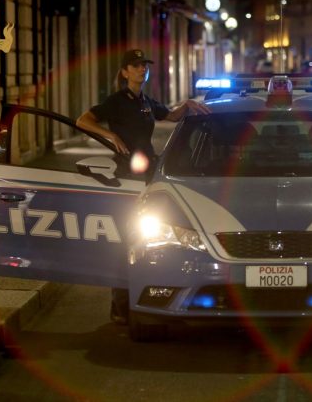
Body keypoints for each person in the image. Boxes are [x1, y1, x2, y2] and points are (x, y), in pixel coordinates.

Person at [76, 49, 211, 325]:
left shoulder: (146, 101)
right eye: (136, 66)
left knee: (150, 238)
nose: (142, 70)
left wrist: (187, 105)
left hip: (150, 175)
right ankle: (120, 306)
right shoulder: (116, 101)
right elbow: (83, 120)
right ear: (125, 71)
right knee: (127, 240)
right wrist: (110, 134)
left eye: (145, 66)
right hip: (126, 177)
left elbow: (171, 116)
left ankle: (153, 295)